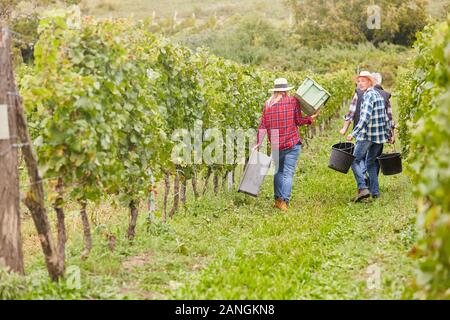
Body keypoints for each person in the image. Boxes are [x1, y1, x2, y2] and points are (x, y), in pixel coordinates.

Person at [254, 78, 319, 211]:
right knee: (288, 173)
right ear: (286, 90)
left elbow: (262, 125)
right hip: (292, 143)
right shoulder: (292, 101)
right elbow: (298, 121)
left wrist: (258, 143)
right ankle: (284, 201)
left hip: (276, 145)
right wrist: (310, 119)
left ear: (275, 90)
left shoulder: (268, 104)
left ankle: (278, 200)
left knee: (278, 172)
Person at [340, 71, 395, 185]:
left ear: (370, 82)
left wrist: (352, 133)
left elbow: (363, 117)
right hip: (379, 137)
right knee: (371, 162)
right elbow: (387, 117)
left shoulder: (368, 95)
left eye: (363, 81)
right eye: (358, 81)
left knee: (355, 160)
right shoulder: (380, 95)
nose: (359, 84)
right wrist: (390, 134)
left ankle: (363, 187)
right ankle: (374, 191)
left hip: (366, 134)